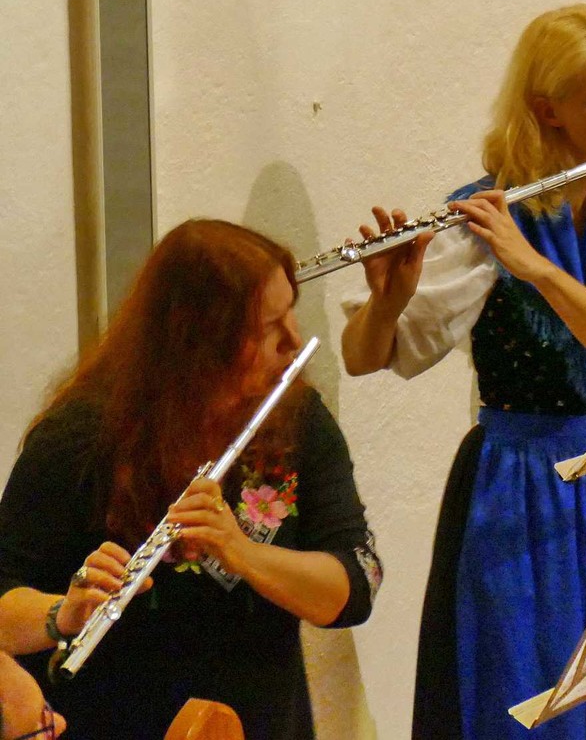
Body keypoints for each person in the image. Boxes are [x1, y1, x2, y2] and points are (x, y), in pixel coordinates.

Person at [339, 4, 586, 740]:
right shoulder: (483, 219)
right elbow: (365, 356)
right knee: (520, 703)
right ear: (547, 109)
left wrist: (538, 269)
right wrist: (386, 302)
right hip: (515, 488)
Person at [0, 219, 380, 740]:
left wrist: (241, 551)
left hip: (260, 723)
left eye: (290, 311)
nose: (293, 340)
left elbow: (352, 589)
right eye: (268, 327)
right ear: (201, 340)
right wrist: (62, 615)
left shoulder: (295, 420)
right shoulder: (82, 436)